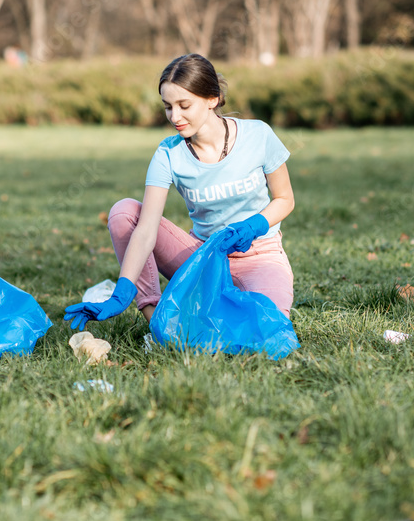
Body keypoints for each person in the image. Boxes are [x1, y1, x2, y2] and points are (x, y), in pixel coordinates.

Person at [64, 53, 295, 329]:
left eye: (184, 105)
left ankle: (208, 309)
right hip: (203, 258)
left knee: (269, 328)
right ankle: (158, 324)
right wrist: (123, 291)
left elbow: (285, 199)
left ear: (212, 99)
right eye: (168, 107)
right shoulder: (168, 153)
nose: (175, 116)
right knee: (123, 212)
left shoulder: (258, 135)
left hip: (259, 256)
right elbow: (146, 229)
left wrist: (254, 225)